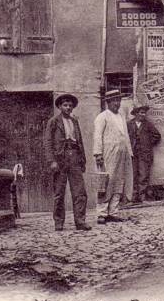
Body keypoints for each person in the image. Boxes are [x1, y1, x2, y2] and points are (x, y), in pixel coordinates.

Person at [44, 93, 90, 231]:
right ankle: (59, 222)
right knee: (59, 192)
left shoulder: (75, 121)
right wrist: (52, 160)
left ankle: (80, 221)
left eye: (70, 105)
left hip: (74, 157)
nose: (68, 107)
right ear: (59, 106)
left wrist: (82, 160)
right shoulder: (53, 121)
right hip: (60, 158)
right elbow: (47, 142)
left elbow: (80, 141)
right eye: (65, 105)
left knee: (80, 192)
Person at [93, 89, 134, 223]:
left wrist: (129, 152)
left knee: (119, 181)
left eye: (118, 100)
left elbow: (125, 135)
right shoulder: (102, 117)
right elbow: (97, 136)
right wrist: (98, 154)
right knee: (106, 182)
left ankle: (113, 211)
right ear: (108, 102)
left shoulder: (121, 116)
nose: (117, 103)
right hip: (108, 153)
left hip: (122, 153)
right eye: (114, 101)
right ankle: (102, 213)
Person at [127, 105, 161, 204]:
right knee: (133, 175)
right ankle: (134, 197)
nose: (143, 114)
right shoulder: (129, 124)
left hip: (144, 154)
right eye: (141, 112)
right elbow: (124, 137)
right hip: (132, 154)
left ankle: (142, 197)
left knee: (143, 175)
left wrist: (148, 143)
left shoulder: (148, 124)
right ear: (136, 113)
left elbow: (157, 136)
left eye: (144, 113)